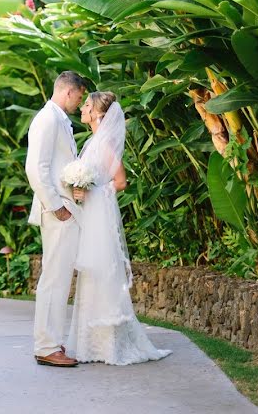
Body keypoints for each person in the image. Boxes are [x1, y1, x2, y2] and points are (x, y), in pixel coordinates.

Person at [66, 91, 172, 365]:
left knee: (103, 272)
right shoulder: (93, 141)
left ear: (98, 113)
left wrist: (92, 191)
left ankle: (110, 346)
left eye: (86, 106)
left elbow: (121, 181)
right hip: (90, 214)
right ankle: (91, 345)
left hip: (99, 214)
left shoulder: (103, 145)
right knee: (92, 273)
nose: (82, 109)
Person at [25, 71, 86, 367]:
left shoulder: (58, 119)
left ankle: (50, 341)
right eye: (80, 96)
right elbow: (36, 168)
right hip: (57, 210)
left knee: (59, 278)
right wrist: (56, 207)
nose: (80, 102)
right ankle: (46, 346)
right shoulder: (47, 119)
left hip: (65, 206)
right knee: (54, 278)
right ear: (68, 92)